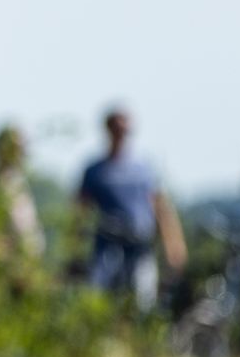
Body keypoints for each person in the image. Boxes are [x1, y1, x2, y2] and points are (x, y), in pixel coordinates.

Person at [77, 107, 186, 312]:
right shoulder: (95, 170)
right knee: (99, 300)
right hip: (106, 247)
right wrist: (76, 249)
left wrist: (174, 246)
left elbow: (162, 208)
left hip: (139, 246)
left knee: (142, 302)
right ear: (108, 130)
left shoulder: (144, 169)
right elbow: (81, 211)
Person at [0, 124, 45, 263]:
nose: (21, 152)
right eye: (15, 148)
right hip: (7, 263)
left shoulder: (18, 181)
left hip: (25, 262)